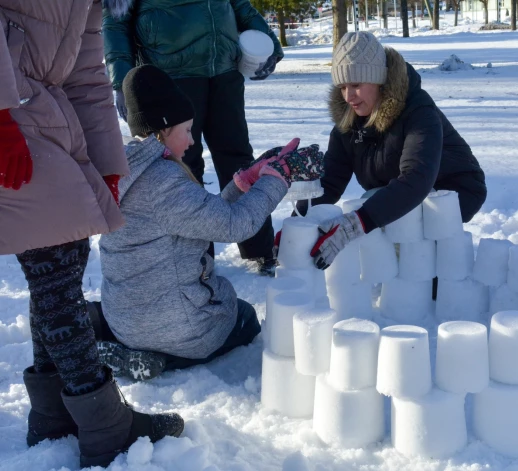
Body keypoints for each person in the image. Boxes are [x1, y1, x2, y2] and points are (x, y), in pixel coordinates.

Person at [0, 1, 183, 468]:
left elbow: (85, 73)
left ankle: (54, 410)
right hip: (12, 109)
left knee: (63, 255)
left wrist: (107, 163)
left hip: (46, 112)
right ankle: (105, 426)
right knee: (55, 263)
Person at [96, 65, 323, 380]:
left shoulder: (128, 168)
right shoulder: (162, 179)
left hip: (125, 318)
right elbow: (234, 225)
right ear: (163, 128)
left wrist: (244, 183)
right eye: (186, 130)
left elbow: (199, 217)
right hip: (173, 326)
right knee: (243, 317)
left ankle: (136, 344)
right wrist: (277, 179)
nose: (191, 141)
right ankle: (161, 358)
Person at [102, 0, 284, 275]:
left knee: (239, 158)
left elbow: (239, 4)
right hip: (171, 73)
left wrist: (267, 40)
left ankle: (260, 247)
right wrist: (123, 80)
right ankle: (195, 258)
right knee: (183, 167)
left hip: (224, 68)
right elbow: (116, 21)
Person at [296, 32, 487, 270]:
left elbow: (416, 178)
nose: (348, 96)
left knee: (385, 218)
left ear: (378, 80)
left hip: (453, 191)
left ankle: (431, 276)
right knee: (374, 204)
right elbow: (331, 181)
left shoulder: (418, 113)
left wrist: (356, 224)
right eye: (343, 86)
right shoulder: (349, 123)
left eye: (356, 85)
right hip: (401, 189)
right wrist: (298, 223)